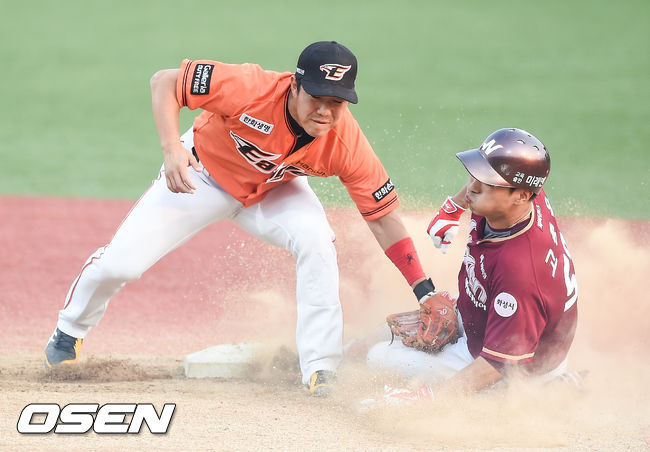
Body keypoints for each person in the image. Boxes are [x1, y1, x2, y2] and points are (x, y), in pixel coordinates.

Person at [44, 41, 438, 396]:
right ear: (295, 85)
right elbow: (164, 81)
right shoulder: (251, 87)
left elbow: (383, 219)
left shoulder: (346, 143)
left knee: (317, 241)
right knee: (121, 264)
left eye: (336, 101)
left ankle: (321, 368)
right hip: (200, 175)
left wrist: (424, 290)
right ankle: (69, 330)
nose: (324, 110)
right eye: (317, 96)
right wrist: (171, 150)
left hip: (274, 190)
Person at [364, 128, 578, 404]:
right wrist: (453, 207)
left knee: (379, 357)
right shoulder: (519, 197)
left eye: (488, 182)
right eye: (475, 174)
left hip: (515, 368)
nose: (473, 187)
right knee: (380, 334)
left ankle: (546, 391)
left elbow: (498, 364)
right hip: (493, 314)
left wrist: (428, 399)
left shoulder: (520, 270)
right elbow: (483, 185)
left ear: (521, 196)